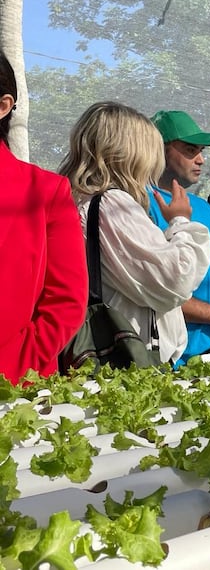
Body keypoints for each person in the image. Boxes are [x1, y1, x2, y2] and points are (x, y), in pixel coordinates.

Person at [59, 101, 210, 365]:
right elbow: (174, 278)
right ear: (130, 152)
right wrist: (180, 221)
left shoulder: (78, 200)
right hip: (127, 356)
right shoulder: (111, 204)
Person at [0, 53, 88, 385]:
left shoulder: (45, 191)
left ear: (3, 105)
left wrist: (14, 372)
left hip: (14, 392)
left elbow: (67, 302)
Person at [147, 110, 210, 364]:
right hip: (165, 356)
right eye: (190, 150)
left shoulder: (203, 208)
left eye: (202, 151)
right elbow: (150, 288)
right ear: (158, 149)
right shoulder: (138, 202)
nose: (200, 159)